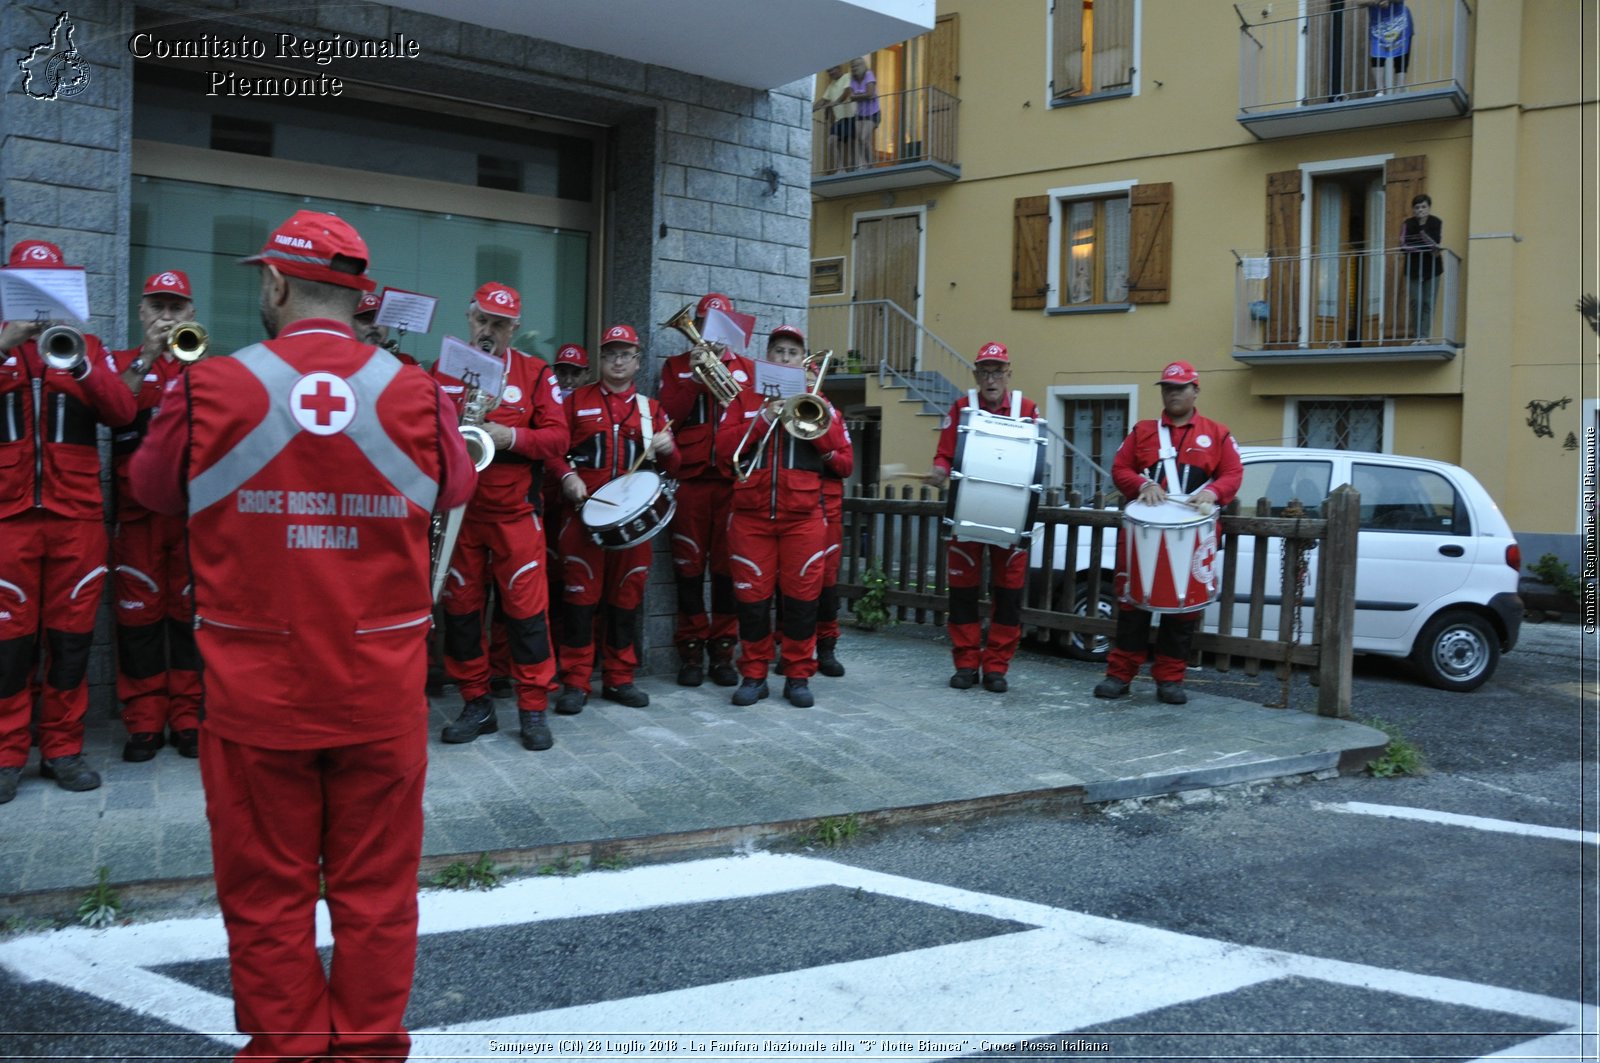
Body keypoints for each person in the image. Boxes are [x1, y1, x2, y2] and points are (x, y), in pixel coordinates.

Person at [128, 209, 475, 1058]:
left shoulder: (208, 386)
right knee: (378, 894)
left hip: (257, 698)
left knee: (268, 895)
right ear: (358, 299)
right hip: (380, 692)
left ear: (276, 283)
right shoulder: (416, 392)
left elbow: (153, 490)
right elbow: (457, 483)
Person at [0, 239, 136, 804]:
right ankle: (6, 755)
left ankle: (62, 749)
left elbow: (122, 413)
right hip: (8, 520)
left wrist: (78, 360)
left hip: (76, 518)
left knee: (71, 641)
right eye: (26, 290)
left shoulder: (88, 347)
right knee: (8, 645)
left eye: (48, 289)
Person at [434, 282, 569, 752]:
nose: (487, 330)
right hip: (460, 516)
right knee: (463, 613)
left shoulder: (534, 373)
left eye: (498, 323)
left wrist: (510, 436)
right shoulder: (444, 368)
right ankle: (477, 702)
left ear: (513, 328)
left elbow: (558, 439)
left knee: (526, 615)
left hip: (516, 514)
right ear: (469, 318)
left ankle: (532, 707)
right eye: (481, 320)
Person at [716, 325, 853, 708]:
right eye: (779, 351)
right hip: (750, 517)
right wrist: (763, 417)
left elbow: (844, 463)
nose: (786, 358)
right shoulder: (744, 399)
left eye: (793, 352)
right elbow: (723, 451)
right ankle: (754, 674)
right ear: (768, 358)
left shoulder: (820, 403)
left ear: (803, 361)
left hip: (803, 518)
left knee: (801, 602)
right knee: (753, 602)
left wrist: (814, 422)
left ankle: (797, 675)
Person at [1095, 360, 1242, 705]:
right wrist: (1142, 483)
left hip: (1193, 535)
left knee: (1184, 610)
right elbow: (1120, 469)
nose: (1173, 393)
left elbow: (1233, 473)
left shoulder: (1217, 433)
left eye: (1180, 387)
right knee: (1132, 606)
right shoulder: (1142, 432)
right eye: (1167, 388)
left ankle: (1170, 680)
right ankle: (1120, 676)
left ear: (1195, 390)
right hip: (1142, 535)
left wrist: (1214, 492)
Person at [550, 325, 680, 713]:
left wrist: (669, 448)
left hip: (633, 526)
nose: (618, 360)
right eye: (610, 354)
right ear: (601, 360)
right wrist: (566, 476)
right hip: (581, 519)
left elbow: (676, 467)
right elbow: (552, 451)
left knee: (626, 600)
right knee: (579, 602)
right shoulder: (574, 403)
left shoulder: (651, 410)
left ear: (638, 361)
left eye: (625, 354)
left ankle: (619, 679)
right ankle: (575, 681)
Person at [106, 270, 204, 762]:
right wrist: (146, 357)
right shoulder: (122, 364)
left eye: (177, 308)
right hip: (138, 513)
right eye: (158, 307)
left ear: (192, 313)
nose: (167, 317)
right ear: (141, 312)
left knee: (189, 617)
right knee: (138, 620)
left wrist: (192, 361)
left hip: (193, 517)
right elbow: (115, 408)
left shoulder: (203, 363)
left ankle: (188, 717)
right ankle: (144, 719)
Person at [926, 342, 1039, 694]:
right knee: (962, 594)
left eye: (997, 371)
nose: (991, 379)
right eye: (985, 372)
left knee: (1007, 597)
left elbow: (1036, 459)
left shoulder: (1028, 409)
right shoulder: (961, 408)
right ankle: (964, 664)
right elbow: (945, 454)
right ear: (976, 375)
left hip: (1012, 516)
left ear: (1008, 373)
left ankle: (996, 667)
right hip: (967, 514)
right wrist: (939, 470)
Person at [658, 293, 755, 688]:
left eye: (718, 327)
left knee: (727, 571)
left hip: (733, 483)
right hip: (692, 481)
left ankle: (723, 652)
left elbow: (751, 425)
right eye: (702, 324)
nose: (708, 334)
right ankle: (691, 650)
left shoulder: (747, 369)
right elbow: (667, 418)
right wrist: (695, 383)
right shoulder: (676, 367)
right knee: (688, 569)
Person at [1399, 193, 1442, 341]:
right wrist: (1425, 246)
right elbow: (1404, 245)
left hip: (1433, 268)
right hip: (1413, 268)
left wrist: (1423, 240)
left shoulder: (1436, 222)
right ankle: (1416, 336)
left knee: (1428, 302)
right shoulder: (1408, 224)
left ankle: (1424, 337)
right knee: (1416, 301)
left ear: (1429, 208)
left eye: (1423, 207)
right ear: (1413, 210)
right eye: (1417, 207)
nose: (1420, 210)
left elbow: (1435, 242)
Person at [353, 289, 419, 366]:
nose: (375, 325)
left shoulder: (406, 361)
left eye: (381, 319)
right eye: (366, 319)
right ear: (350, 323)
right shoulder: (340, 359)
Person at [1363, 0, 1413, 96]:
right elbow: (1359, 2)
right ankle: (1380, 91)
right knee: (1377, 57)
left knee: (1401, 57)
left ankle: (1399, 90)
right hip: (1378, 26)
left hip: (1399, 22)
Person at [812, 62, 855, 173]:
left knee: (852, 143)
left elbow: (847, 92)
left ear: (839, 68)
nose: (830, 73)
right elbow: (823, 100)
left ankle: (858, 166)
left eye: (832, 70)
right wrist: (810, 109)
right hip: (839, 119)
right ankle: (840, 168)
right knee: (831, 141)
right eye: (828, 72)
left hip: (851, 116)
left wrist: (835, 102)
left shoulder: (847, 76)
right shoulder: (831, 85)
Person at [848, 55, 881, 170]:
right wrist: (863, 96)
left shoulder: (868, 74)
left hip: (873, 113)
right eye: (852, 66)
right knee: (860, 140)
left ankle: (871, 164)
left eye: (856, 66)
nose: (854, 68)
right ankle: (864, 164)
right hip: (860, 114)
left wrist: (858, 96)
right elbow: (851, 96)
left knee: (863, 138)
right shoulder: (852, 79)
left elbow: (871, 93)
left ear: (862, 65)